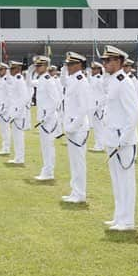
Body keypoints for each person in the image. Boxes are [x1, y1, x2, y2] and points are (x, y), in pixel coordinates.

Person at [99, 46, 138, 231]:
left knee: (126, 181)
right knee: (117, 181)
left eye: (108, 61)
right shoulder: (113, 80)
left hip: (123, 140)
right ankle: (119, 217)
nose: (104, 64)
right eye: (104, 61)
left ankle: (128, 221)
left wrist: (123, 139)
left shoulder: (124, 82)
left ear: (118, 61)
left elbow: (134, 113)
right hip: (112, 138)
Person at [60, 52, 92, 203]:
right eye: (67, 64)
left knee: (78, 162)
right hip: (72, 127)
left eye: (71, 64)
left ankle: (80, 194)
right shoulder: (73, 79)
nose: (68, 67)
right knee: (73, 162)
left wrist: (73, 126)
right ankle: (75, 191)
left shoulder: (81, 81)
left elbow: (84, 107)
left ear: (79, 65)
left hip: (78, 128)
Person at [31, 55, 62, 181]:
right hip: (44, 118)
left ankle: (49, 172)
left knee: (48, 146)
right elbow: (28, 83)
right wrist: (29, 72)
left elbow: (56, 101)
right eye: (36, 66)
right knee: (45, 146)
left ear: (46, 66)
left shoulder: (49, 80)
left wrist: (46, 116)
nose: (37, 68)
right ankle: (46, 170)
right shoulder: (42, 79)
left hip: (48, 119)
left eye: (39, 66)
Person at [6, 61, 30, 165]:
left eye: (12, 69)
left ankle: (20, 158)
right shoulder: (15, 79)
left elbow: (24, 98)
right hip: (15, 113)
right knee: (15, 137)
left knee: (19, 137)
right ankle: (17, 157)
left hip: (19, 114)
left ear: (18, 69)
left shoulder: (19, 80)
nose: (10, 71)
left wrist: (16, 112)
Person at [0, 63, 12, 156]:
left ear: (6, 70)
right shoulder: (1, 80)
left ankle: (6, 148)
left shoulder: (8, 80)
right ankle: (4, 147)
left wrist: (5, 108)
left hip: (5, 109)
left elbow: (9, 96)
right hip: (0, 109)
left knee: (5, 130)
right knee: (2, 130)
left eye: (1, 70)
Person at [88, 62, 106, 152]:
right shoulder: (93, 78)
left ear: (99, 70)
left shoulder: (100, 79)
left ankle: (100, 145)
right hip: (93, 106)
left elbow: (104, 94)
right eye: (92, 68)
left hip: (98, 107)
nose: (92, 70)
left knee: (99, 127)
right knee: (96, 127)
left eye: (94, 69)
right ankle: (98, 144)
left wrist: (99, 106)